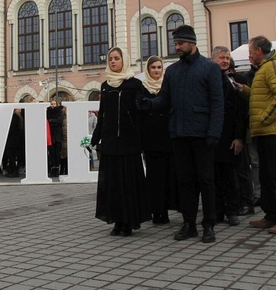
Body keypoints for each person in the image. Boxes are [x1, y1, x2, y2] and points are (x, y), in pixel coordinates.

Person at [141, 25, 224, 243]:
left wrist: (214, 132)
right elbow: (164, 99)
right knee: (185, 181)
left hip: (202, 135)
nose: (176, 47)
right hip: (178, 134)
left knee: (206, 181)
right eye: (175, 43)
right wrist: (149, 104)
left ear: (191, 42)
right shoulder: (173, 71)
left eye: (179, 43)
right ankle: (189, 224)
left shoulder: (209, 68)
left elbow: (217, 103)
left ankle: (209, 225)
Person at [91, 47, 150, 237]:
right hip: (110, 142)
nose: (113, 62)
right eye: (110, 59)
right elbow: (103, 114)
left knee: (128, 183)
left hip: (129, 141)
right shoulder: (105, 86)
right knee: (113, 184)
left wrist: (141, 136)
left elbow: (143, 111)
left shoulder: (134, 84)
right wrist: (96, 137)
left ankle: (128, 221)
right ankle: (116, 220)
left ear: (124, 60)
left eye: (116, 58)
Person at [240, 35, 276, 234]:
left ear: (259, 51)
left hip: (273, 130)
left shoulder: (274, 66)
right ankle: (271, 215)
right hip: (264, 132)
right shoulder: (264, 68)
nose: (249, 55)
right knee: (267, 176)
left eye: (250, 51)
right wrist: (245, 90)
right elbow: (264, 94)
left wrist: (265, 118)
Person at [140, 55, 179, 225]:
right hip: (151, 138)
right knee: (154, 177)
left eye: (159, 68)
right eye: (153, 68)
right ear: (148, 70)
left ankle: (168, 210)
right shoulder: (142, 88)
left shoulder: (168, 86)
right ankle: (156, 211)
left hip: (168, 137)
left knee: (169, 176)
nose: (156, 71)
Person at [210, 47, 247, 227]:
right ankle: (217, 211)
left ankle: (232, 210)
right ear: (213, 58)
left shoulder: (233, 81)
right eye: (221, 58)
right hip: (211, 137)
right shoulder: (207, 79)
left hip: (229, 137)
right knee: (214, 177)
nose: (225, 61)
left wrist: (239, 137)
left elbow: (239, 112)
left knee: (231, 177)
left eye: (227, 58)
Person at [47, 99, 64, 177]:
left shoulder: (60, 111)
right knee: (51, 153)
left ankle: (57, 169)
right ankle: (52, 169)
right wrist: (54, 121)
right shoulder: (48, 111)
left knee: (57, 153)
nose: (53, 105)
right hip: (50, 135)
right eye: (51, 103)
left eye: (54, 104)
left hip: (57, 135)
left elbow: (60, 121)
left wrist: (51, 121)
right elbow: (48, 120)